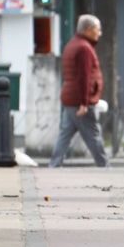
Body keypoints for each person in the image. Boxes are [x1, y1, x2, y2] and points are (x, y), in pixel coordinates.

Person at [49, 14, 108, 168]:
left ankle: (54, 165)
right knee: (94, 136)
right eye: (97, 29)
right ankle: (105, 167)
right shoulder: (84, 48)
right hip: (80, 101)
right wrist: (84, 102)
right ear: (88, 30)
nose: (99, 33)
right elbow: (84, 77)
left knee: (65, 135)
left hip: (70, 98)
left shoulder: (72, 44)